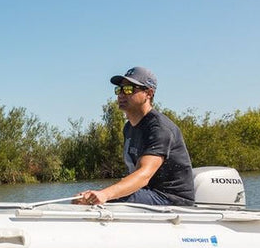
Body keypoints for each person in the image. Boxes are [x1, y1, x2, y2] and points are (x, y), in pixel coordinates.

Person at [74, 66, 194, 206]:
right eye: (119, 89)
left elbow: (144, 175)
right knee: (82, 199)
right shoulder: (128, 128)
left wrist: (105, 194)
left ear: (149, 93)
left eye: (129, 89)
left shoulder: (159, 128)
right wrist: (99, 193)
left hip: (171, 199)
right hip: (148, 193)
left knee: (102, 201)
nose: (121, 94)